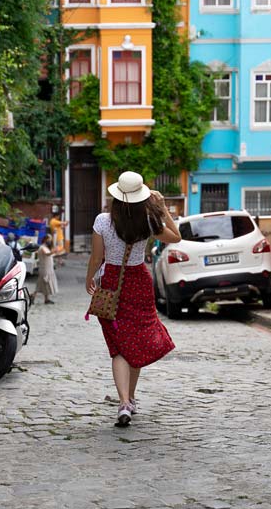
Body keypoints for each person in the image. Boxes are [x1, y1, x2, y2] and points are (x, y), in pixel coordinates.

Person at [85, 171, 181, 427]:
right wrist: (162, 208)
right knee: (136, 342)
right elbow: (176, 236)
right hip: (138, 282)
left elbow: (96, 258)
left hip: (111, 285)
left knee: (119, 347)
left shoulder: (102, 221)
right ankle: (130, 399)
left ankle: (124, 401)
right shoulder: (148, 221)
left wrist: (89, 278)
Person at [34, 234, 58, 305]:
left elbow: (50, 255)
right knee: (44, 283)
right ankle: (33, 296)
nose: (50, 241)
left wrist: (56, 253)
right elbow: (47, 254)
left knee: (43, 284)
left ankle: (46, 299)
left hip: (47, 269)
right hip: (45, 269)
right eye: (49, 239)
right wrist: (53, 251)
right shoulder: (42, 247)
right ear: (45, 239)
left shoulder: (46, 247)